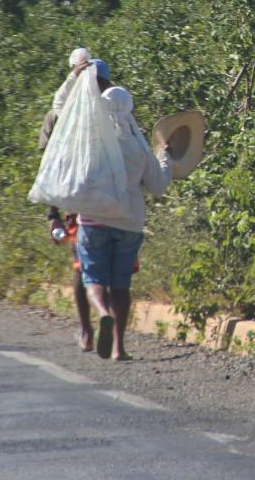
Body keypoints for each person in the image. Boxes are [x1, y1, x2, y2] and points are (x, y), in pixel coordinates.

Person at [75, 80, 172, 361]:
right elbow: (158, 185)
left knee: (92, 278)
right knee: (121, 285)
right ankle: (119, 347)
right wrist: (163, 156)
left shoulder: (90, 141)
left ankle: (102, 313)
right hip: (129, 224)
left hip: (93, 220)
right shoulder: (138, 147)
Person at [39, 53, 112, 352]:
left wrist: (52, 214)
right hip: (102, 203)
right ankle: (101, 328)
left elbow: (48, 167)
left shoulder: (105, 110)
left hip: (87, 205)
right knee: (100, 268)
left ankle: (91, 327)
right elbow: (49, 165)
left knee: (85, 269)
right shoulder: (65, 116)